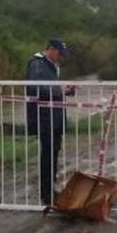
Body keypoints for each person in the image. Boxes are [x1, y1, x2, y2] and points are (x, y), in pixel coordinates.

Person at [26, 38, 76, 207]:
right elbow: (36, 87)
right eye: (60, 54)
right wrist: (59, 89)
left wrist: (67, 90)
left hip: (55, 116)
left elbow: (52, 88)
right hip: (44, 117)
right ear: (52, 49)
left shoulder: (52, 66)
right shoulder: (37, 64)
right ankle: (46, 195)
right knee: (48, 154)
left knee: (54, 152)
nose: (61, 58)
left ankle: (51, 191)